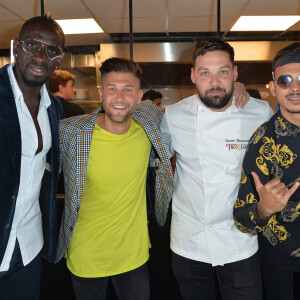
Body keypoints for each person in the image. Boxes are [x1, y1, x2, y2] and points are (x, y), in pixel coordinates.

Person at [160, 38, 274, 300]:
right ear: (192, 76)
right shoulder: (174, 116)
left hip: (240, 240)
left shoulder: (260, 112)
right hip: (188, 240)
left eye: (223, 71)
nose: (214, 82)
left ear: (235, 73)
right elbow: (158, 157)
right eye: (204, 73)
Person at [55, 56, 174, 300]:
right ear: (100, 93)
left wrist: (236, 90)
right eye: (112, 89)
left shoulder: (148, 123)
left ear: (139, 96)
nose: (120, 98)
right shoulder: (69, 131)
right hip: (85, 255)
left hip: (134, 255)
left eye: (127, 90)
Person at [0, 16, 64, 300]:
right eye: (32, 45)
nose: (40, 55)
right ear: (16, 48)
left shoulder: (55, 108)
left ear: (59, 60)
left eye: (51, 50)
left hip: (28, 245)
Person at [233, 42, 300, 300]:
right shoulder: (263, 143)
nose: (295, 86)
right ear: (272, 87)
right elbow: (242, 219)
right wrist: (263, 209)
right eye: (285, 80)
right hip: (282, 264)